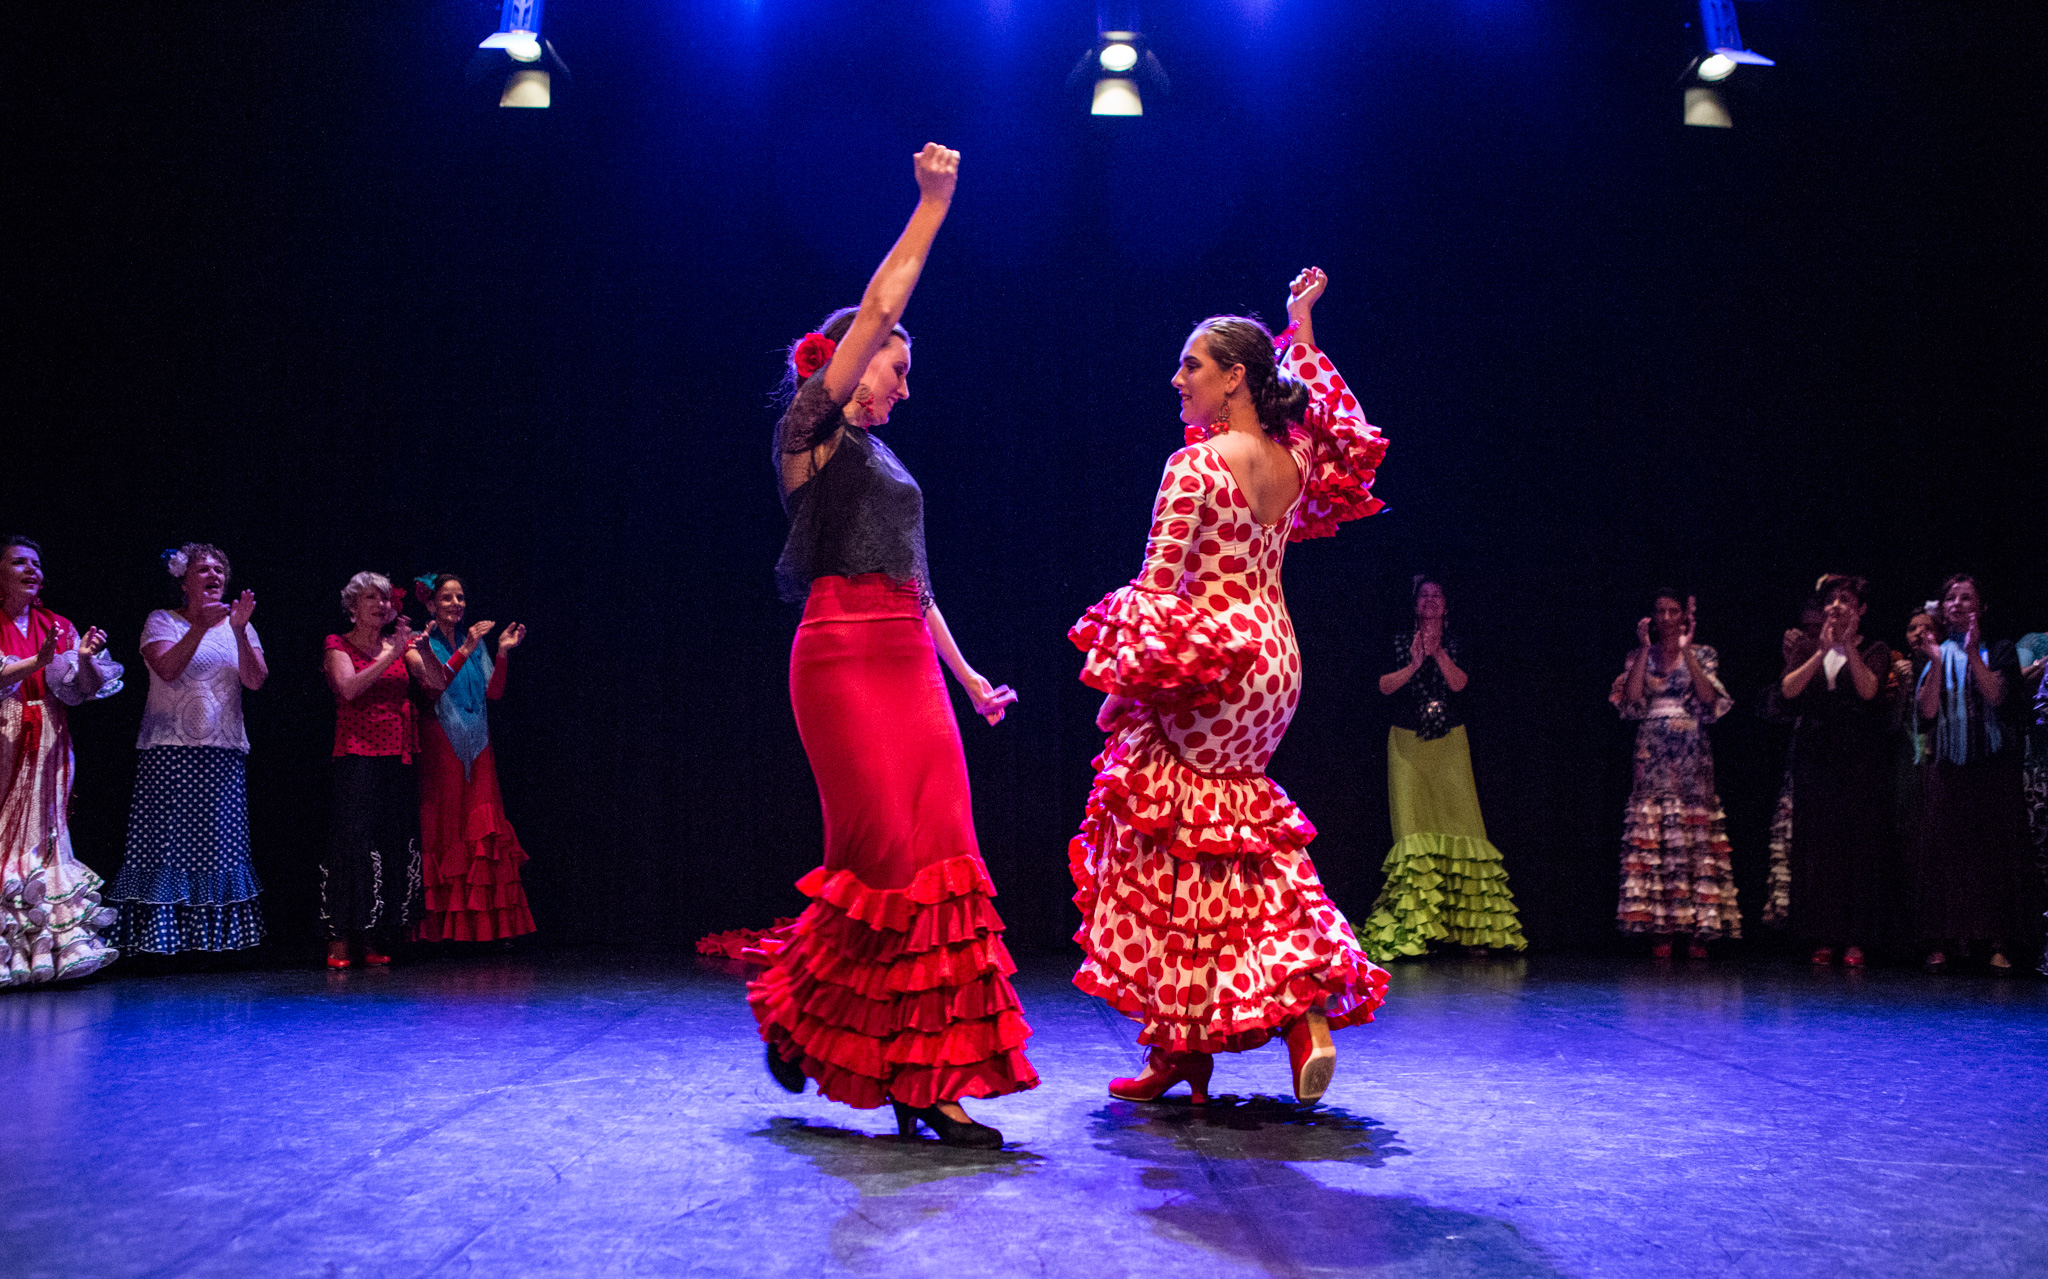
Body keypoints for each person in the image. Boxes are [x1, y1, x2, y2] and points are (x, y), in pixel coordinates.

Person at [744, 144, 1037, 1150]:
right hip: (840, 663)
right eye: (897, 367)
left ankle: (928, 1079)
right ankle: (801, 1012)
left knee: (944, 858)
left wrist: (969, 679)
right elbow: (878, 304)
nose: (906, 387)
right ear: (849, 359)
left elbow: (919, 586)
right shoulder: (809, 432)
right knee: (878, 859)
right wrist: (932, 205)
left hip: (912, 668)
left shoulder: (884, 457)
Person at [1068, 267, 1391, 1108]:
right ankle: (1208, 1038)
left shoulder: (1195, 466)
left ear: (1234, 377)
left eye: (1193, 365)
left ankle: (1262, 1019)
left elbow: (1158, 589)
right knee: (1224, 832)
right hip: (1275, 663)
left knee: (1160, 832)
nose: (1178, 379)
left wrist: (1120, 690)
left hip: (1210, 664)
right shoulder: (1295, 455)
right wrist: (1300, 323)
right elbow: (1326, 412)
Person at [107, 544, 268, 956]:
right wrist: (199, 627)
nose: (213, 575)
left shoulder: (240, 626)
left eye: (219, 570)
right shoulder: (162, 620)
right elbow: (166, 668)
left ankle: (213, 941)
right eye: (203, 569)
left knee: (218, 848)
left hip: (222, 751)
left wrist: (237, 630)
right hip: (170, 752)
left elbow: (255, 680)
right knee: (167, 847)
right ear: (183, 582)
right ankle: (161, 940)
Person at [1360, 575, 1526, 958]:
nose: (1431, 600)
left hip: (1450, 743)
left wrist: (1437, 654)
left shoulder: (1458, 641)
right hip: (1406, 744)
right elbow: (1383, 686)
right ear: (1415, 603)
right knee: (1412, 832)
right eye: (1424, 595)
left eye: (1437, 595)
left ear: (1446, 604)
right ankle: (1414, 932)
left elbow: (1460, 684)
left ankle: (1474, 933)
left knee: (1463, 826)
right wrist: (1414, 664)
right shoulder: (1398, 640)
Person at [0, 536, 124, 985]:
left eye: (36, 563)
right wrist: (39, 659)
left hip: (50, 740)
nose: (31, 570)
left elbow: (81, 690)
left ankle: (42, 953)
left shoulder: (56, 625)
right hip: (6, 732)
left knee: (44, 834)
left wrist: (85, 659)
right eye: (19, 562)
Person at [1908, 575, 2036, 972]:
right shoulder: (1932, 653)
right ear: (1943, 608)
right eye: (1952, 597)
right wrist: (1935, 661)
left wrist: (1973, 655)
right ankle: (1941, 941)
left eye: (1967, 598)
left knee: (1993, 855)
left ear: (1980, 608)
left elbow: (1997, 696)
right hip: (1947, 767)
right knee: (1944, 856)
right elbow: (1927, 712)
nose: (1958, 603)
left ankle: (1998, 942)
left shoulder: (1998, 650)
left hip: (1991, 767)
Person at [405, 574, 535, 945]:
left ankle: (489, 928)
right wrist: (467, 647)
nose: (456, 604)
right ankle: (441, 931)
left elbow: (494, 693)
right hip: (441, 743)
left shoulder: (475, 644)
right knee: (447, 824)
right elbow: (434, 687)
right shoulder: (418, 643)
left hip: (479, 746)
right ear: (430, 604)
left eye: (461, 597)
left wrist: (503, 651)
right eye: (447, 597)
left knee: (481, 827)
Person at [1610, 591, 1740, 958]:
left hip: (1691, 754)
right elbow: (1631, 699)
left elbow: (1709, 698)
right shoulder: (1640, 655)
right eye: (1660, 611)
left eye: (1673, 611)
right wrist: (1643, 649)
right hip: (1651, 752)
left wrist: (1687, 652)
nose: (1666, 617)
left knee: (1692, 837)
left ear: (1684, 616)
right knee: (1656, 835)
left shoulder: (1704, 653)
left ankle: (1699, 927)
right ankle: (1660, 926)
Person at [1778, 575, 1893, 967]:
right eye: (1831, 600)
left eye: (1845, 600)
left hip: (1859, 759)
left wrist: (1847, 648)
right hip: (1816, 756)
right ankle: (1823, 934)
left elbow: (1869, 690)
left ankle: (1856, 937)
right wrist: (1820, 653)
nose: (1836, 606)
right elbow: (1788, 690)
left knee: (1857, 847)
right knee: (1820, 846)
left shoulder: (1875, 648)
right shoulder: (1808, 646)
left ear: (1860, 609)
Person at [321, 573, 424, 969]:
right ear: (353, 606)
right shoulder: (338, 643)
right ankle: (340, 937)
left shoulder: (397, 646)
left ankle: (372, 935)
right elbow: (348, 688)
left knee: (389, 845)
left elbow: (434, 681)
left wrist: (423, 648)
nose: (380, 605)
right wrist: (390, 655)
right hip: (357, 754)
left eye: (385, 599)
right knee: (353, 845)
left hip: (397, 755)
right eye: (370, 598)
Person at [1762, 595, 1826, 930]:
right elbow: (1776, 708)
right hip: (1801, 763)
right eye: (1806, 628)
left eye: (1817, 627)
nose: (1810, 634)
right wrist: (1791, 660)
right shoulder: (1802, 658)